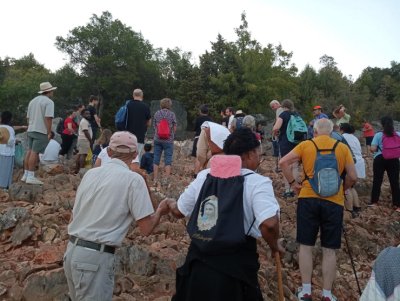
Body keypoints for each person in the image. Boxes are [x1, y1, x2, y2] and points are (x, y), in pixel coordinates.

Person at [165, 128, 282, 300]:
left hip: (198, 262)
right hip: (235, 268)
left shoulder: (205, 176)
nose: (259, 160)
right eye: (259, 155)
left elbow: (179, 211)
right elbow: (270, 225)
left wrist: (168, 203)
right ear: (249, 154)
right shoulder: (258, 182)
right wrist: (274, 246)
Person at [63, 131, 169, 300]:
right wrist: (160, 211)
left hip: (71, 251)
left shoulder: (90, 174)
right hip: (95, 258)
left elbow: (73, 217)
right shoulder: (133, 180)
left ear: (109, 152)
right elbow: (146, 228)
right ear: (135, 155)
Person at [279, 118, 357, 301]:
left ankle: (306, 291)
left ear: (314, 131)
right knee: (329, 249)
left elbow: (283, 162)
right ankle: (327, 294)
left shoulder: (306, 145)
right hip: (334, 202)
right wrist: (342, 189)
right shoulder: (341, 147)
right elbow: (352, 176)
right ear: (332, 131)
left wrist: (292, 184)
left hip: (308, 198)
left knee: (306, 246)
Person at [21, 82, 56, 185]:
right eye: (52, 90)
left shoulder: (33, 101)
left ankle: (26, 174)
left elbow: (28, 117)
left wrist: (30, 126)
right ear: (49, 91)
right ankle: (31, 176)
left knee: (30, 151)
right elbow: (48, 118)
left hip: (31, 128)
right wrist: (48, 132)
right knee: (35, 152)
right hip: (41, 130)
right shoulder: (49, 102)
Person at [369, 116, 400, 211]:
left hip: (380, 158)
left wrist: (374, 149)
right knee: (395, 182)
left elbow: (373, 149)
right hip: (394, 159)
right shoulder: (398, 134)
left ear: (382, 124)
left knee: (377, 180)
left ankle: (374, 202)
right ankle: (397, 205)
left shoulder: (378, 135)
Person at [272, 99, 298, 197]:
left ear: (283, 106)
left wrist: (275, 134)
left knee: (286, 165)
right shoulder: (296, 115)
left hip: (286, 142)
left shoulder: (283, 115)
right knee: (294, 166)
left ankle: (288, 190)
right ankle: (295, 189)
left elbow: (276, 128)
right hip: (296, 143)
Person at [339, 123, 365, 217]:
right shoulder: (354, 138)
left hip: (351, 162)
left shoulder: (342, 137)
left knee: (346, 187)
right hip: (359, 162)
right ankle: (357, 207)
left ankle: (350, 210)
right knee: (352, 186)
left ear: (342, 130)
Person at [152, 98, 177, 183]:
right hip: (168, 140)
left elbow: (154, 126)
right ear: (170, 105)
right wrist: (172, 134)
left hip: (157, 139)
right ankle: (166, 179)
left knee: (156, 158)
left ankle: (155, 178)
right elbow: (174, 127)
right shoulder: (172, 114)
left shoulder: (157, 113)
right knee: (168, 159)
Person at [125, 88, 151, 160]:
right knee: (137, 156)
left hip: (127, 135)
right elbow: (149, 123)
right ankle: (134, 170)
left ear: (133, 95)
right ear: (142, 95)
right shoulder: (145, 106)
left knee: (127, 155)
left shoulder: (127, 105)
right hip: (140, 136)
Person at [192, 104, 212, 176]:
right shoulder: (210, 119)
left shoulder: (198, 119)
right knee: (207, 157)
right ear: (208, 112)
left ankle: (196, 173)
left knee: (198, 156)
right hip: (208, 139)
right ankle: (204, 173)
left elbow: (194, 129)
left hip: (198, 138)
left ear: (200, 111)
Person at [0, 111, 16, 190]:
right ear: (10, 119)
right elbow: (10, 141)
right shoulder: (10, 129)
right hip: (7, 152)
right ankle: (4, 188)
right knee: (5, 171)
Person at [74, 109, 92, 174]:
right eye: (86, 114)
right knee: (83, 155)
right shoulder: (84, 121)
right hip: (84, 140)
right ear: (82, 115)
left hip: (82, 140)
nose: (88, 115)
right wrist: (90, 140)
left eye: (89, 114)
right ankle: (81, 170)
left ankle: (77, 170)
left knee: (80, 155)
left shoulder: (85, 121)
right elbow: (86, 131)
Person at [270, 100, 284, 173]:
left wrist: (275, 132)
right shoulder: (284, 109)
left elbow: (279, 122)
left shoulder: (279, 110)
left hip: (280, 134)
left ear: (276, 104)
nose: (273, 108)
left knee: (279, 150)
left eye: (273, 106)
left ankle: (280, 166)